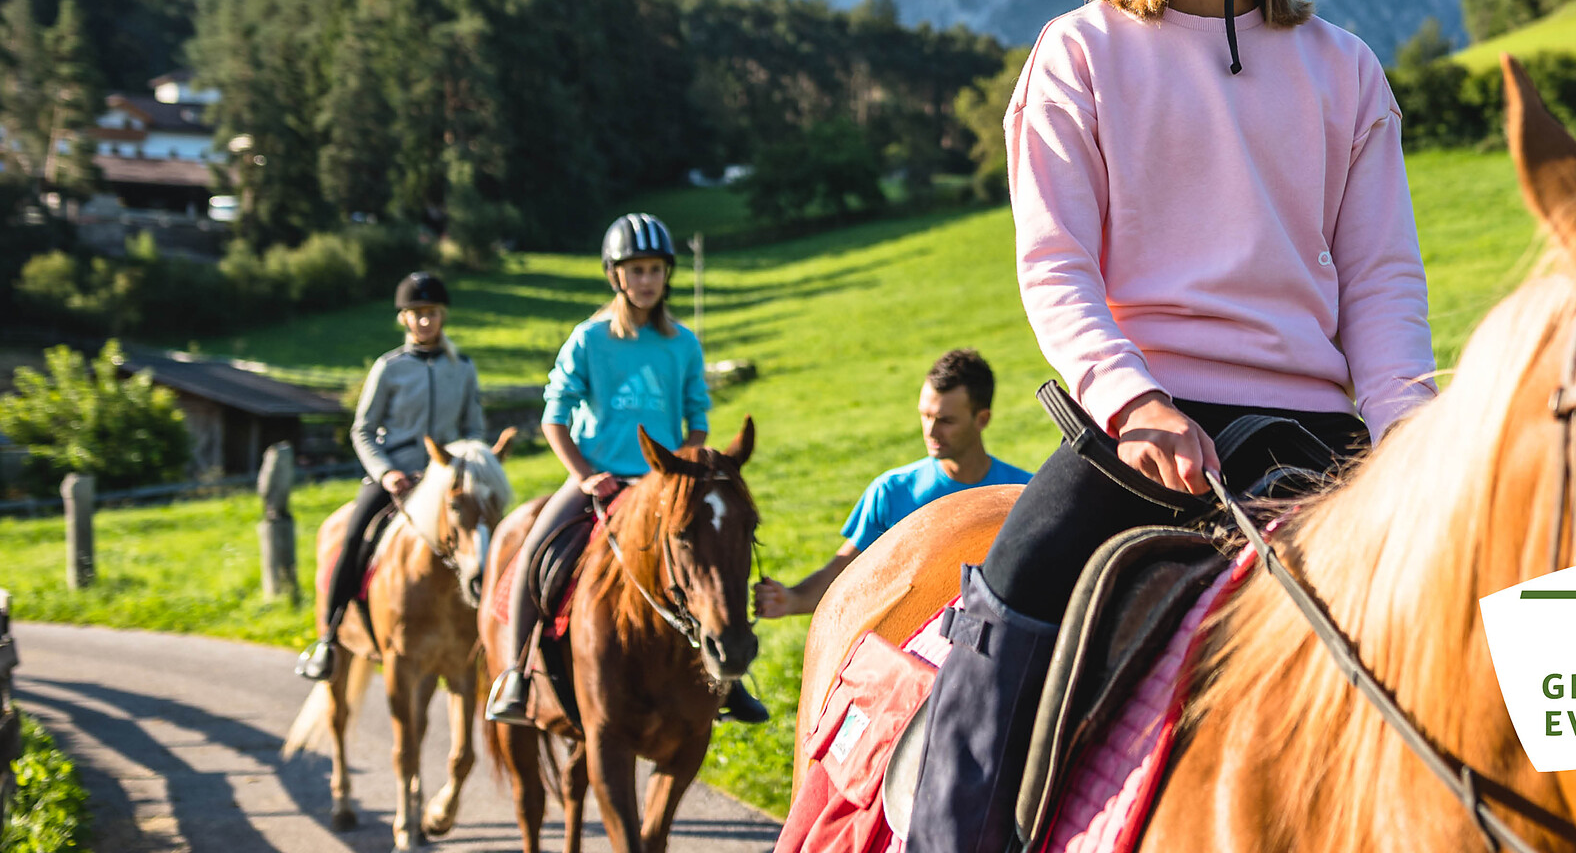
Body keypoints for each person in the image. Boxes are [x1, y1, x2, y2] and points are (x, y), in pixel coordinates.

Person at [900, 0, 1437, 853]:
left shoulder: (1346, 72)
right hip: (1137, 437)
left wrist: (1414, 438)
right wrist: (1134, 399)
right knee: (1018, 598)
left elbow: (1385, 290)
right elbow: (1056, 270)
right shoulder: (1080, 57)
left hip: (1319, 440)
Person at [485, 212, 768, 726]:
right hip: (598, 478)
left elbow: (696, 417)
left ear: (668, 276)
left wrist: (678, 473)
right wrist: (583, 473)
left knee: (709, 561)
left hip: (662, 486)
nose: (646, 281)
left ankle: (729, 679)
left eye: (655, 270)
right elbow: (554, 416)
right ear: (615, 275)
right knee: (533, 553)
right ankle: (514, 674)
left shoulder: (682, 343)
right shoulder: (589, 339)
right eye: (635, 270)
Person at [296, 271, 485, 681]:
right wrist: (386, 473)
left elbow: (474, 429)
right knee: (352, 538)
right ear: (404, 319)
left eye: (431, 313)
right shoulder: (389, 368)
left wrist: (465, 467)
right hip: (394, 477)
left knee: (490, 532)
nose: (424, 321)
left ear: (442, 316)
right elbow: (361, 430)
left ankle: (494, 633)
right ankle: (329, 637)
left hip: (444, 479)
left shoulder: (464, 368)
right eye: (416, 314)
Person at [753, 349, 1030, 620]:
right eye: (925, 415)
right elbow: (845, 572)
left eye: (946, 420)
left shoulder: (1024, 494)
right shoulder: (892, 492)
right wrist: (792, 599)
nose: (930, 431)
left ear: (982, 419)